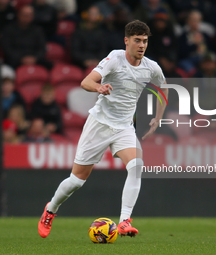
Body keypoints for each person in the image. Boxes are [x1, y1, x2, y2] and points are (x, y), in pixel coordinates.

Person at [38, 20, 168, 238]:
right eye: (137, 40)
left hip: (124, 127)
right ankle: (50, 210)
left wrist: (158, 117)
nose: (142, 45)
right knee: (76, 181)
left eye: (145, 41)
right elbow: (85, 82)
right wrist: (99, 86)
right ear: (126, 41)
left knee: (137, 166)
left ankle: (125, 221)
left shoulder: (151, 67)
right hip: (100, 124)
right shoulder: (114, 59)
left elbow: (163, 88)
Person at [1, 5, 52, 69]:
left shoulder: (38, 30)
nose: (27, 18)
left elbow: (42, 48)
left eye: (30, 15)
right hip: (15, 60)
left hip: (34, 58)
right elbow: (7, 49)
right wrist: (21, 59)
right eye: (25, 15)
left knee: (49, 66)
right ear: (18, 15)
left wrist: (34, 58)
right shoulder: (9, 29)